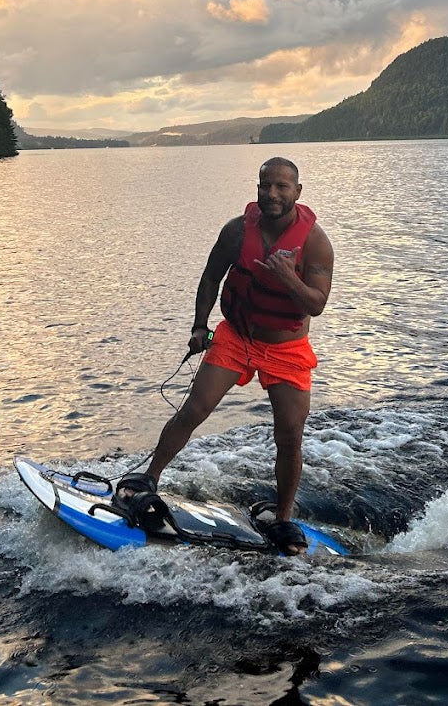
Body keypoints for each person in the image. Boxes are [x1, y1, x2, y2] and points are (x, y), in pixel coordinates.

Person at [117, 156, 335, 555]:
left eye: (281, 187)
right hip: (236, 335)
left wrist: (288, 277)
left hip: (285, 347)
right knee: (194, 408)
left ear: (297, 192)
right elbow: (210, 276)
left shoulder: (316, 242)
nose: (271, 193)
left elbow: (317, 303)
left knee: (289, 435)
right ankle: (149, 478)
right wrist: (200, 326)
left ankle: (284, 519)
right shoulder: (237, 232)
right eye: (264, 185)